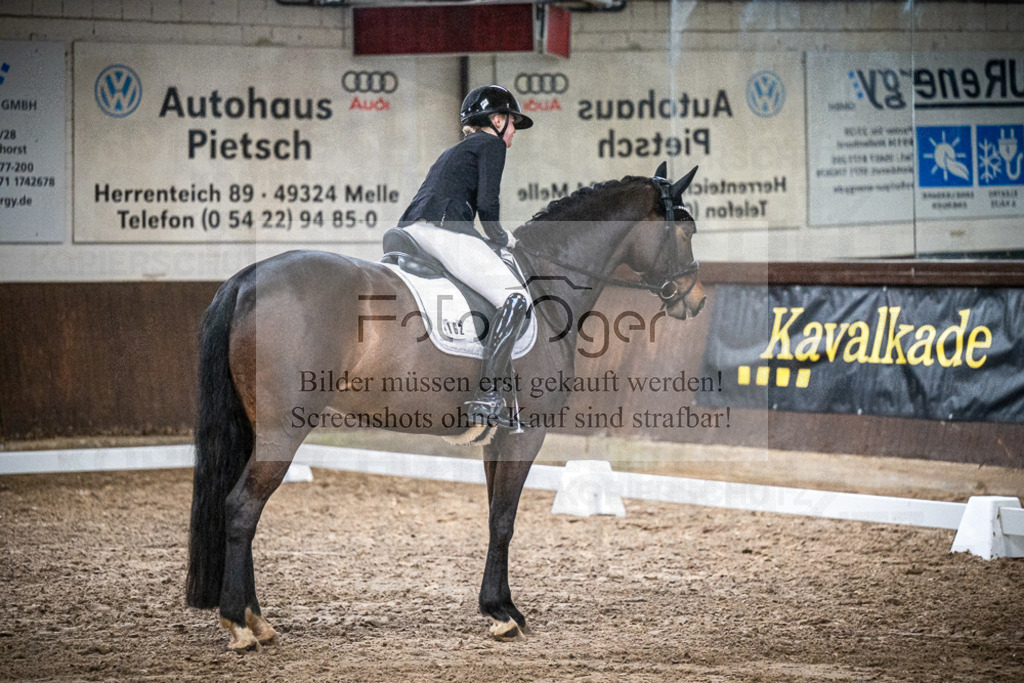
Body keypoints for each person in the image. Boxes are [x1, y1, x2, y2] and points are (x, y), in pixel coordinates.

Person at [397, 85, 533, 426]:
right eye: (512, 123)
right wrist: (503, 239)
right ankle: (488, 396)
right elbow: (488, 204)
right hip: (445, 232)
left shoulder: (456, 150)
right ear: (497, 120)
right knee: (516, 299)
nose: (514, 131)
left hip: (413, 230)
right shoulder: (491, 144)